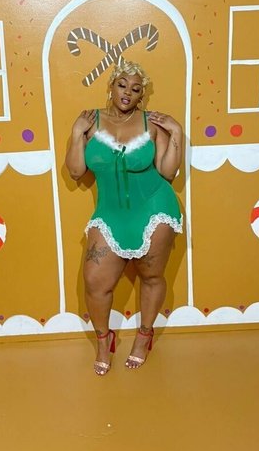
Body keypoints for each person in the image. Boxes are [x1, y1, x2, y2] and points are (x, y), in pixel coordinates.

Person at [65, 60, 183, 375]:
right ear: (112, 86)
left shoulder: (151, 124)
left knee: (152, 276)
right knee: (95, 281)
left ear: (142, 95)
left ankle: (144, 335)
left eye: (136, 89)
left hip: (154, 209)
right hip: (111, 214)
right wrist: (76, 133)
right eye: (122, 85)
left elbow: (168, 172)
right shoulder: (89, 122)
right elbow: (75, 171)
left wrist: (176, 132)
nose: (128, 93)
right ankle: (105, 341)